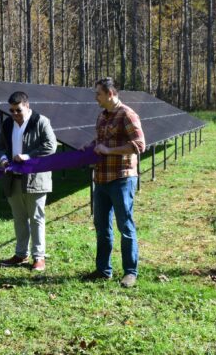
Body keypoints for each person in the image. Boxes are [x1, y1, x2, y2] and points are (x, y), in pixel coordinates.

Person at [85, 77, 146, 287]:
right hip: (101, 179)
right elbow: (100, 142)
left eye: (98, 94)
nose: (96, 98)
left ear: (110, 94)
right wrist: (89, 147)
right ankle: (103, 270)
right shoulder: (102, 116)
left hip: (121, 178)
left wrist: (109, 151)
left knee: (125, 225)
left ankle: (130, 272)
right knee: (102, 226)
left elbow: (139, 145)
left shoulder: (127, 114)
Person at [0, 91, 57, 271]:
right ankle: (21, 254)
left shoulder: (41, 121)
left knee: (37, 218)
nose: (15, 114)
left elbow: (50, 146)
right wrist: (3, 160)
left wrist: (27, 156)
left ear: (27, 106)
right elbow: (0, 147)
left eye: (18, 110)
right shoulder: (8, 124)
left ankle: (39, 257)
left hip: (35, 179)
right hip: (13, 179)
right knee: (19, 218)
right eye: (12, 111)